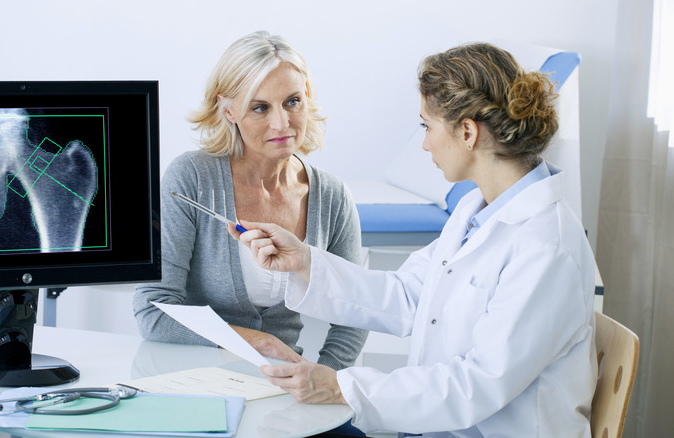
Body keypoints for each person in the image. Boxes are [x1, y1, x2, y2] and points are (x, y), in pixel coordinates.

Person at [232, 42, 597, 437]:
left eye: (428, 126)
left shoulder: (545, 246)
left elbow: (477, 385)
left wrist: (341, 387)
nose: (424, 143)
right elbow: (407, 295)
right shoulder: (477, 210)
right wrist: (303, 261)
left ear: (468, 132)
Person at [133, 31, 368, 373]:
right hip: (195, 381)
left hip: (285, 386)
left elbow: (355, 311)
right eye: (260, 108)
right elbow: (153, 311)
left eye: (293, 102)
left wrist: (326, 378)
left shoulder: (331, 195)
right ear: (228, 110)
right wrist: (254, 341)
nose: (281, 123)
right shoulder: (191, 178)